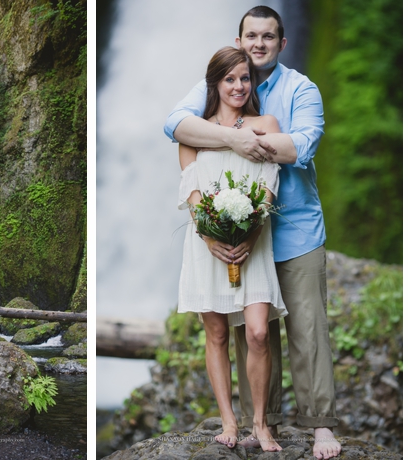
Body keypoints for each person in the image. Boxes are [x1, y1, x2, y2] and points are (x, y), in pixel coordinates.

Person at [165, 6, 342, 459]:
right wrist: (233, 138)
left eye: (268, 36)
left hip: (295, 227)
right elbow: (175, 125)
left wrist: (244, 136)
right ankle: (263, 421)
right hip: (234, 237)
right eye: (251, 35)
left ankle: (320, 423)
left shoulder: (301, 88)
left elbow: (302, 144)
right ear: (240, 40)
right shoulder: (223, 77)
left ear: (282, 43)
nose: (259, 43)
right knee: (251, 332)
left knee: (307, 328)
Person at [177, 46, 287, 452]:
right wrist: (211, 238)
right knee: (217, 332)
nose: (239, 86)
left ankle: (260, 423)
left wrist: (250, 237)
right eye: (230, 79)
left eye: (245, 78)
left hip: (253, 243)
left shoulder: (266, 123)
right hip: (207, 246)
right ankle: (228, 421)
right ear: (215, 84)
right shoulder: (193, 133)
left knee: (258, 332)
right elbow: (190, 197)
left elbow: (269, 186)